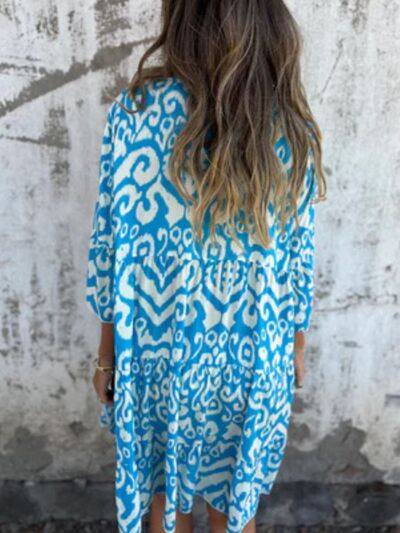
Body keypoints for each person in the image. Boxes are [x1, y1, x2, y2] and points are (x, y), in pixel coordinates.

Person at [85, 1, 327, 532]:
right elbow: (297, 258)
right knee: (234, 509)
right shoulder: (288, 123)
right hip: (252, 356)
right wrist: (295, 347)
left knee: (161, 501)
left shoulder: (135, 111)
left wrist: (107, 358)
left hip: (158, 354)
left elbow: (111, 248)